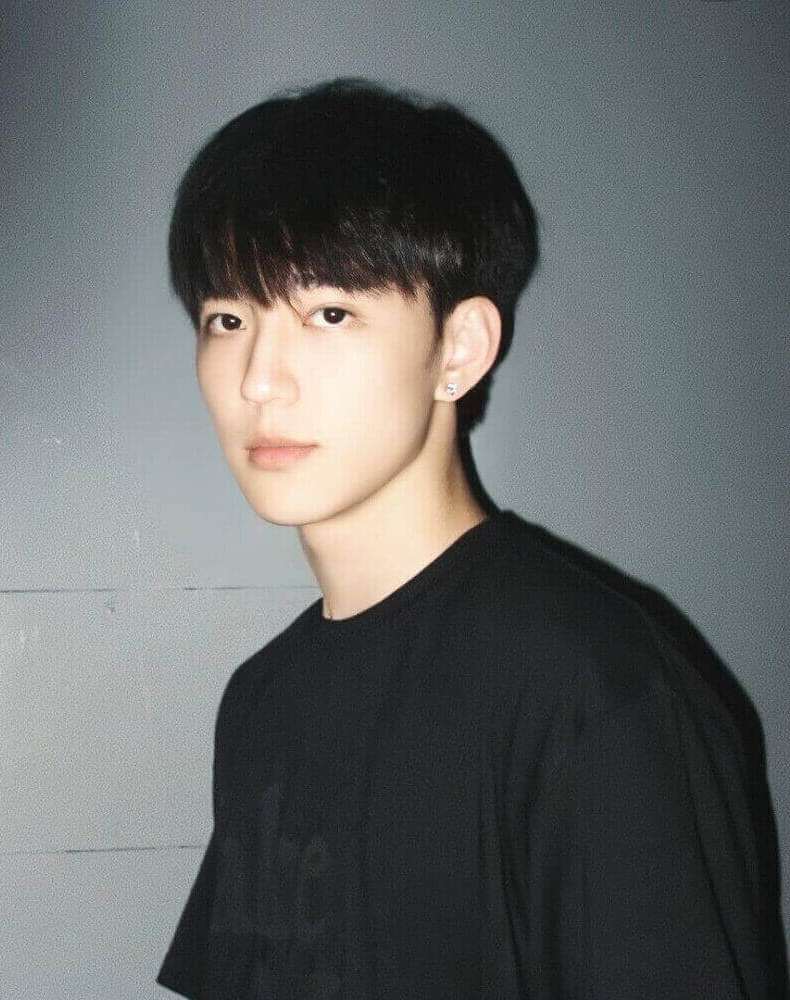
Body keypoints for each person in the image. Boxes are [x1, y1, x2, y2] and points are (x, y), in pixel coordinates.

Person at [155, 76, 785, 999]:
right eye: (228, 318)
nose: (259, 378)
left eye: (329, 313)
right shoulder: (261, 700)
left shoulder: (594, 690)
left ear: (458, 350)